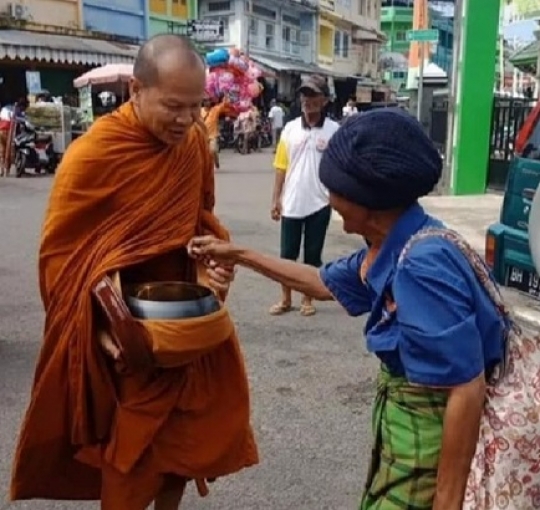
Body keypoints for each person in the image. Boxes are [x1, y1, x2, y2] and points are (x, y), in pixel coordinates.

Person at [188, 108, 505, 510]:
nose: (329, 200)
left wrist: (447, 500)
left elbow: (466, 385)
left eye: (335, 190)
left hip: (428, 440)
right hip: (403, 432)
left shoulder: (421, 265)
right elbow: (322, 284)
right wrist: (240, 254)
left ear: (368, 200)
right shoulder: (397, 241)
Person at [10, 34, 258, 510]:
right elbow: (60, 259)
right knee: (128, 457)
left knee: (181, 447)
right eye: (173, 106)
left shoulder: (191, 149)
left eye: (195, 107)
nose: (186, 120)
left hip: (181, 320)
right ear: (134, 92)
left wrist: (213, 266)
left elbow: (199, 219)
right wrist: (103, 332)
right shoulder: (94, 155)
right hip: (116, 327)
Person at [270, 75, 339, 317]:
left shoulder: (334, 131)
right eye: (304, 95)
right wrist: (275, 199)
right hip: (292, 203)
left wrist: (337, 196)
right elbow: (281, 166)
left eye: (312, 95)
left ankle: (307, 299)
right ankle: (285, 298)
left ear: (324, 100)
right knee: (287, 255)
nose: (307, 100)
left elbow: (340, 167)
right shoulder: (290, 129)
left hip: (320, 202)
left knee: (312, 256)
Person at [200, 96, 230, 170]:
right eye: (205, 101)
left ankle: (216, 162)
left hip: (212, 135)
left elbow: (224, 105)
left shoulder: (215, 110)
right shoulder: (200, 111)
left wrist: (226, 98)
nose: (207, 103)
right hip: (202, 135)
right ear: (203, 103)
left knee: (213, 150)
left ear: (211, 102)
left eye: (208, 101)